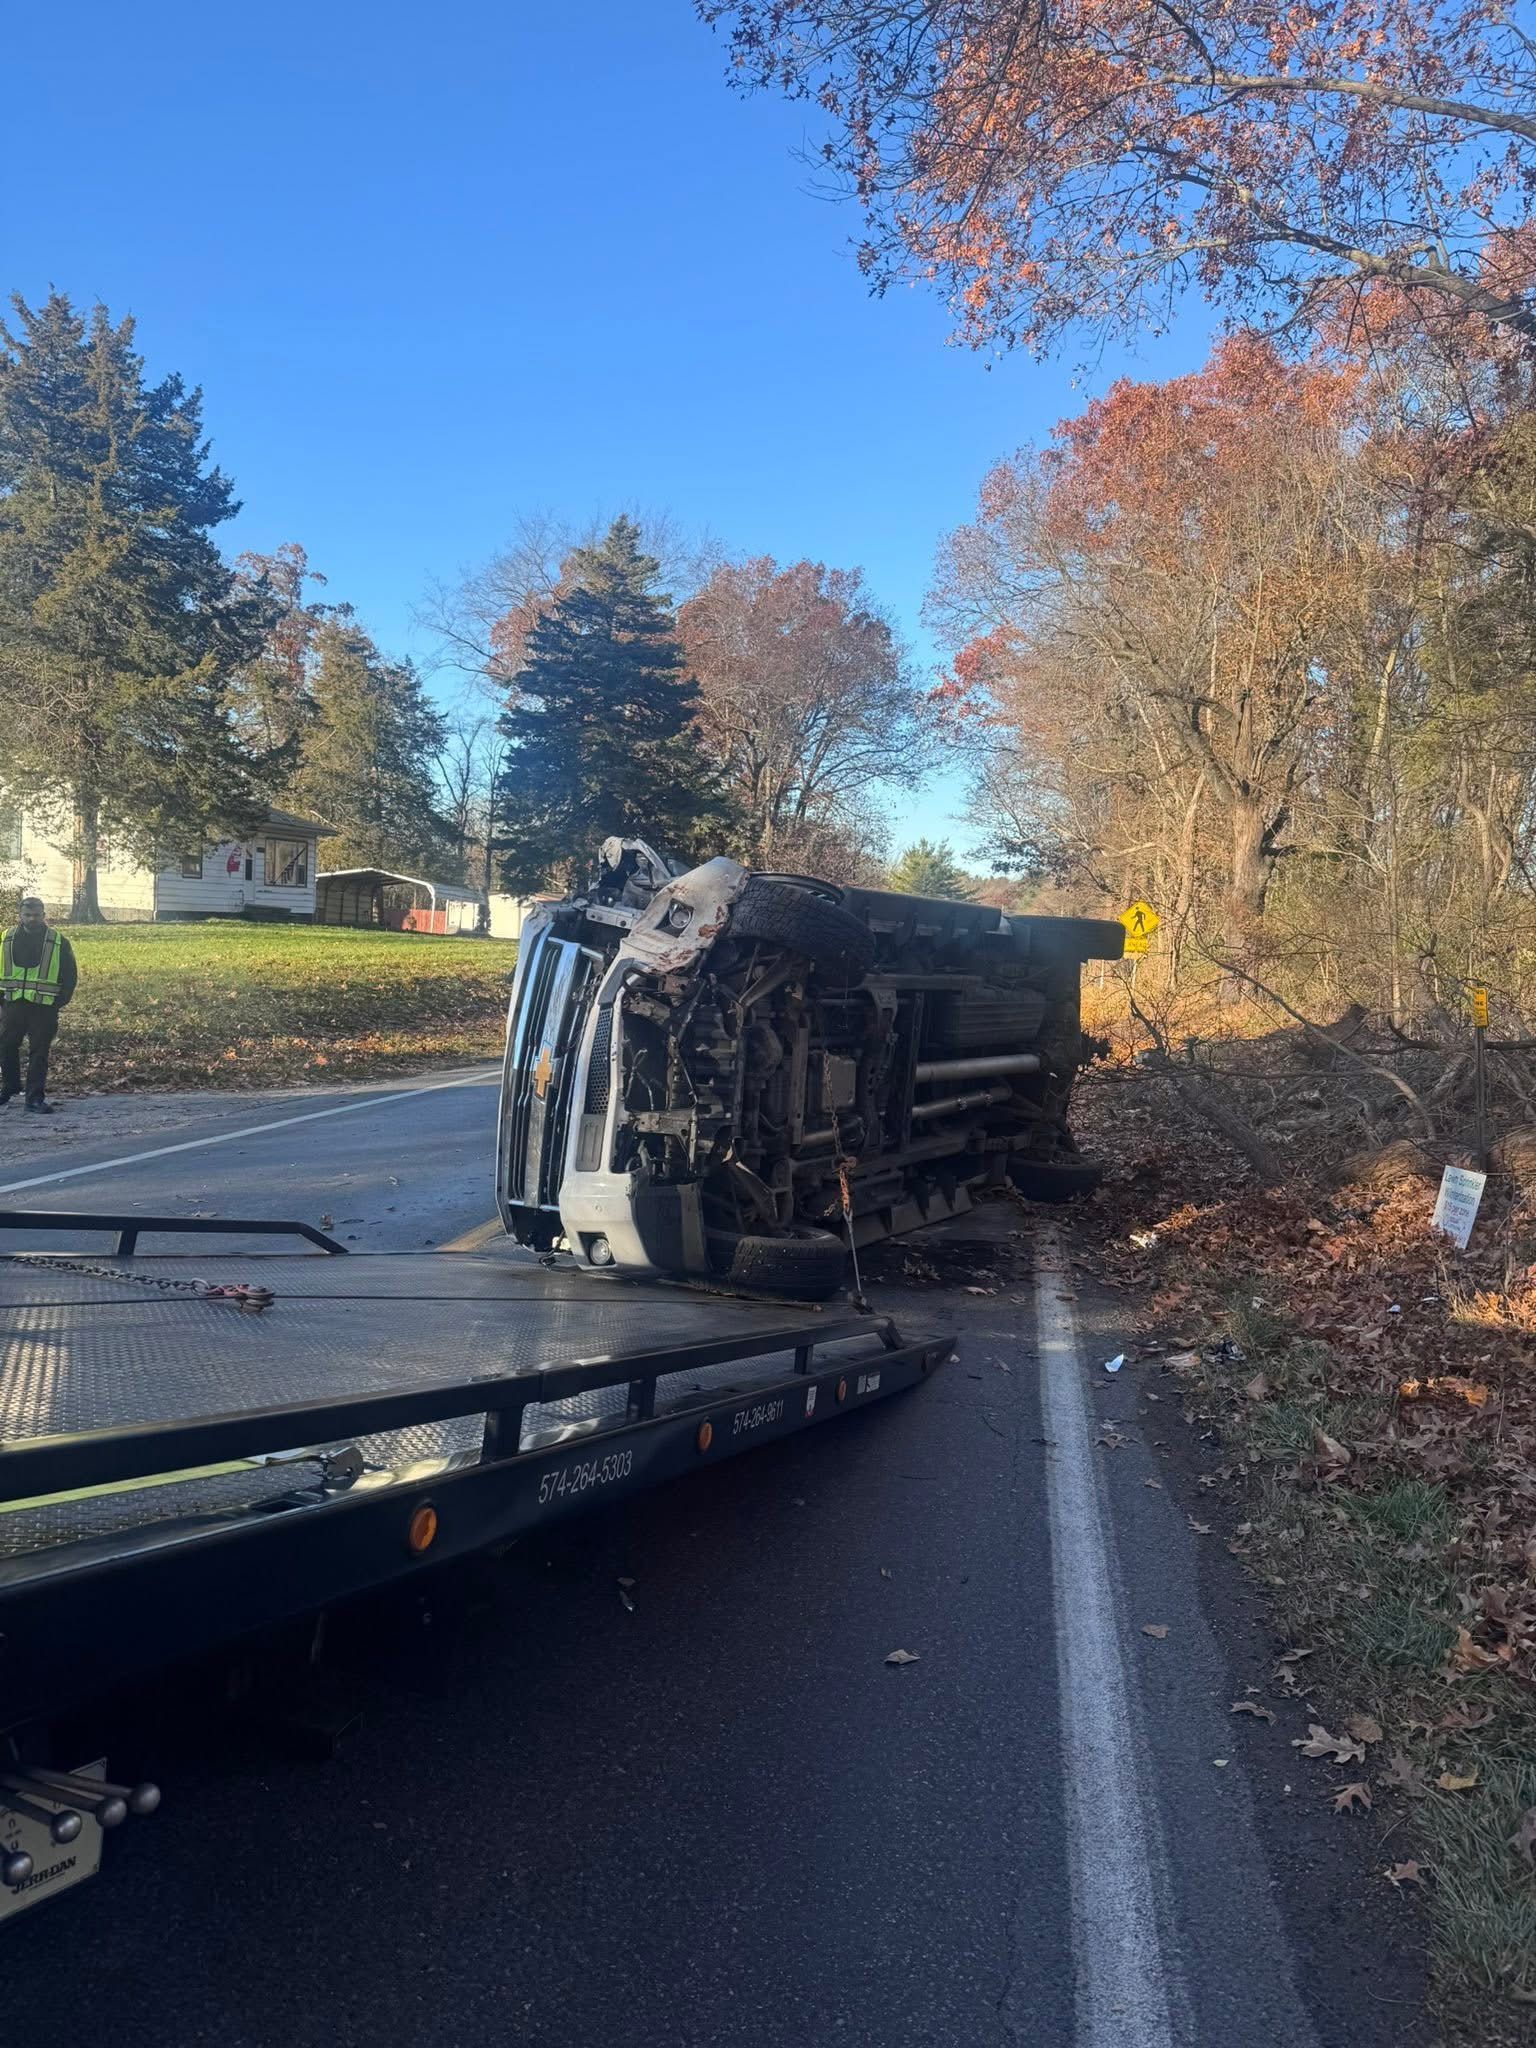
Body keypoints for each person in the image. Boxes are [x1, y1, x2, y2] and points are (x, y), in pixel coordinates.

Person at [0, 896, 78, 1113]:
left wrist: (58, 1002)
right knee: (6, 1046)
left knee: (39, 1051)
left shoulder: (57, 941)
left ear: (44, 915)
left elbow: (70, 975)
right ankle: (10, 1087)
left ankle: (34, 1098)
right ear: (20, 916)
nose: (32, 919)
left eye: (36, 915)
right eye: (27, 915)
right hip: (13, 1004)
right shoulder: (7, 937)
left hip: (44, 1007)